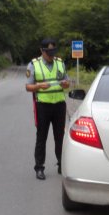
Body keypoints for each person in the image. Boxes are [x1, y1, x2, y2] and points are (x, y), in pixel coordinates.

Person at [25, 38, 70, 180]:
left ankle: (61, 165)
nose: (51, 55)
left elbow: (67, 83)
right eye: (48, 52)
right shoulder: (33, 65)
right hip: (42, 106)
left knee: (60, 137)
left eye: (53, 52)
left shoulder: (60, 63)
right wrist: (38, 86)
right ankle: (39, 168)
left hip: (59, 105)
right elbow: (28, 86)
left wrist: (65, 84)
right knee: (41, 137)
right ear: (42, 51)